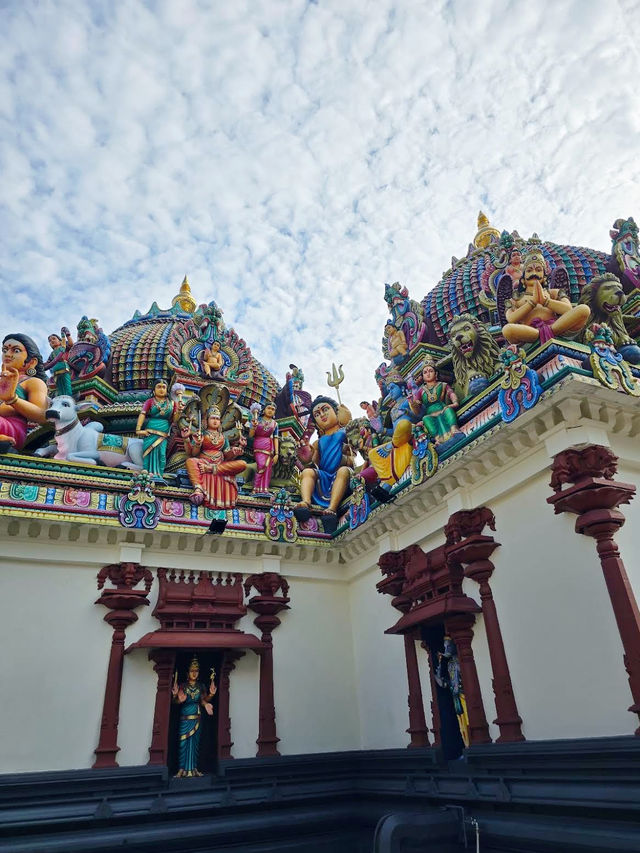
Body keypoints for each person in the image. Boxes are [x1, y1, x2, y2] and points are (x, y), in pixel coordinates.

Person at [502, 249, 590, 345]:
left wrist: (545, 301)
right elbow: (510, 318)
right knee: (507, 329)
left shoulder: (553, 293)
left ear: (544, 277)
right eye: (529, 270)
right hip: (531, 332)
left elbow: (568, 309)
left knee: (584, 309)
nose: (534, 273)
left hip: (556, 325)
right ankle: (543, 333)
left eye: (538, 270)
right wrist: (532, 303)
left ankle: (551, 331)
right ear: (523, 279)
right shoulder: (516, 299)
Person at [293, 396, 354, 530]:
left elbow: (354, 453)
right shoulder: (318, 442)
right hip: (324, 476)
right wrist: (306, 459)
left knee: (343, 471)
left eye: (325, 409)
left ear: (336, 411)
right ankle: (306, 502)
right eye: (317, 414)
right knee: (307, 472)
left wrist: (349, 428)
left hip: (343, 475)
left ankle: (332, 509)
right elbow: (313, 465)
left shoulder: (345, 432)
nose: (322, 415)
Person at [183, 405, 246, 508]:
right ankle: (198, 488)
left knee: (242, 464)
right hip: (204, 462)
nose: (215, 421)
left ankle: (211, 469)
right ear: (206, 420)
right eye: (212, 418)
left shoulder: (223, 438)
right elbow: (193, 454)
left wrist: (235, 451)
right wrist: (197, 443)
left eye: (217, 419)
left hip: (219, 465)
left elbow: (227, 456)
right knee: (190, 461)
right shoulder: (201, 433)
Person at [0, 334, 48, 452]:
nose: (7, 354)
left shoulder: (33, 382)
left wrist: (13, 399)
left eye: (16, 350)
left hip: (13, 428)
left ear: (32, 362)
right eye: (4, 350)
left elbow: (42, 415)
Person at [171, 657, 216, 777]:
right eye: (192, 670)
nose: (194, 673)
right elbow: (176, 702)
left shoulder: (201, 686)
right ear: (187, 673)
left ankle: (194, 768)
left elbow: (203, 701)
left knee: (195, 745)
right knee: (183, 744)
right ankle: (181, 769)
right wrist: (176, 697)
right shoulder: (183, 686)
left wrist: (210, 696)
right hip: (185, 717)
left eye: (196, 670)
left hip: (196, 718)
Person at [409, 356, 462, 446]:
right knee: (426, 419)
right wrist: (412, 403)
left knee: (448, 410)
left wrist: (455, 402)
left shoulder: (443, 385)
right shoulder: (421, 391)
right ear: (422, 377)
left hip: (443, 408)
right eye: (425, 372)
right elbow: (417, 410)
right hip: (430, 414)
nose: (428, 374)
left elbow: (451, 394)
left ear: (436, 374)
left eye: (430, 371)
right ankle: (438, 439)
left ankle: (454, 429)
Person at [135, 379, 181, 480]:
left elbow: (175, 421)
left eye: (164, 387)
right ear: (154, 391)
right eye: (159, 387)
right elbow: (142, 414)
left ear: (167, 391)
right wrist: (138, 430)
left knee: (162, 455)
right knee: (149, 452)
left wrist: (178, 411)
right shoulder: (150, 401)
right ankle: (147, 474)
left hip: (164, 432)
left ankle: (158, 475)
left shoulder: (172, 403)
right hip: (151, 430)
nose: (161, 389)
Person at [249, 402, 279, 494]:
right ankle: (255, 488)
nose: (270, 411)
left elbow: (276, 438)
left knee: (268, 468)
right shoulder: (256, 420)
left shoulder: (275, 424)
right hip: (258, 444)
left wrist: (277, 453)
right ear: (264, 409)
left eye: (273, 409)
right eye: (269, 408)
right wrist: (253, 426)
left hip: (269, 447)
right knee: (261, 465)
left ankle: (264, 489)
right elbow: (251, 435)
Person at [43, 327, 74, 397]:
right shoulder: (52, 353)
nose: (52, 341)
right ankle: (61, 396)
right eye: (50, 341)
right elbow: (48, 363)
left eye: (54, 339)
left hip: (64, 366)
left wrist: (67, 334)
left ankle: (68, 396)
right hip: (55, 370)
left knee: (66, 384)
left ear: (60, 341)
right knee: (59, 386)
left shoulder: (63, 347)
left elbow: (71, 344)